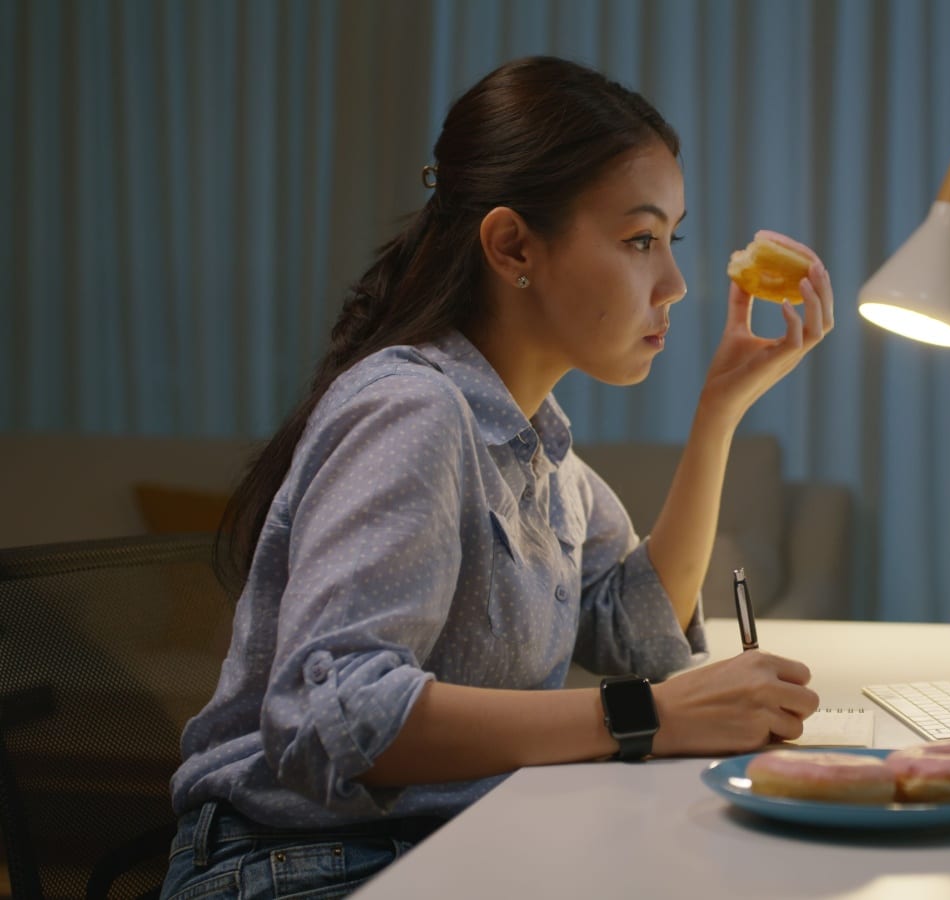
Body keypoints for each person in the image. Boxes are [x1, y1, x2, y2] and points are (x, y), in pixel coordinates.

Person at [161, 55, 831, 899]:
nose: (676, 283)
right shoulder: (416, 411)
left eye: (672, 239)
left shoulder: (534, 444)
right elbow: (333, 718)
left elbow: (636, 629)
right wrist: (647, 721)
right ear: (514, 244)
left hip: (430, 842)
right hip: (298, 866)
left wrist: (721, 411)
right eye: (639, 240)